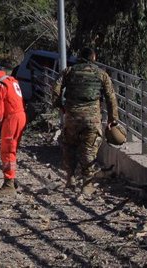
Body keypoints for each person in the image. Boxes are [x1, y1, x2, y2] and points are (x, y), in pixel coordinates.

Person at [51, 47, 118, 196]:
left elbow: (55, 89)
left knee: (69, 146)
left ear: (79, 57)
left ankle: (70, 179)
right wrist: (113, 119)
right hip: (92, 119)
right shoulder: (101, 74)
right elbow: (111, 97)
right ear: (93, 57)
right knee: (89, 150)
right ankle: (87, 184)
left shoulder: (68, 71)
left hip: (71, 117)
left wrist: (59, 106)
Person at [0, 69, 27, 197]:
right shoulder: (10, 80)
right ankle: (12, 180)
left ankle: (9, 184)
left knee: (7, 151)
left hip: (11, 119)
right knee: (12, 150)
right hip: (21, 115)